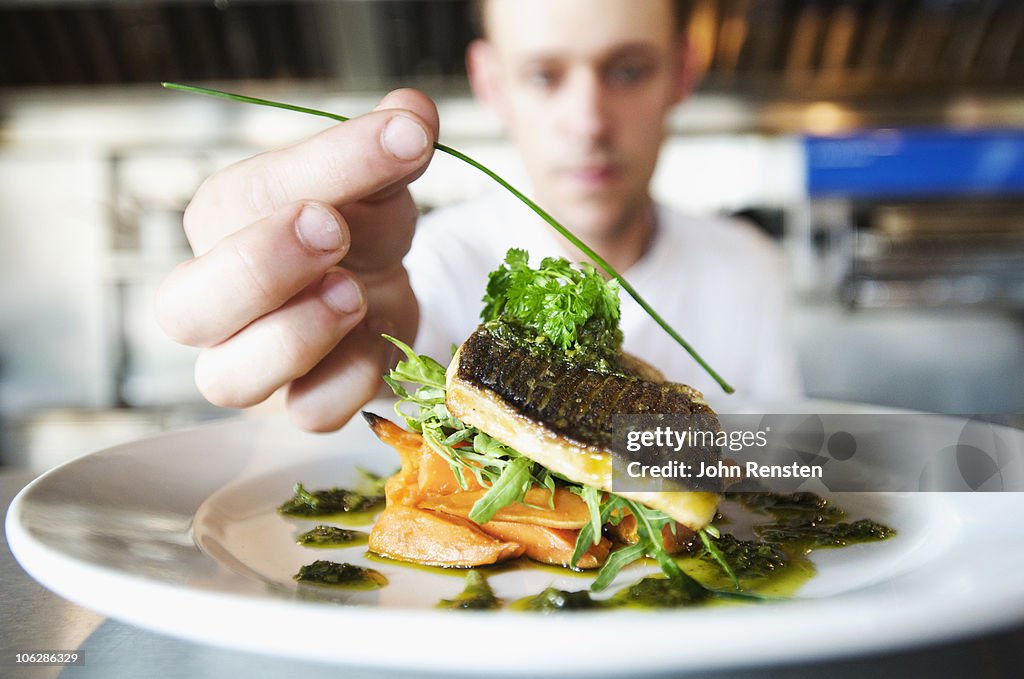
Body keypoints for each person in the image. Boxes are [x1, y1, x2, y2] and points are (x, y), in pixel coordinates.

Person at [156, 0, 801, 433]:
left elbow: (785, 466)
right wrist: (305, 360)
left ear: (682, 74)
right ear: (490, 82)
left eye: (627, 71)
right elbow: (350, 430)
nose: (589, 123)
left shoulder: (748, 265)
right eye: (545, 76)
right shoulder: (425, 268)